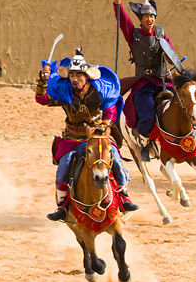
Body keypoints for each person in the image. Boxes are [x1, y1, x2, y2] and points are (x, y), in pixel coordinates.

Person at [36, 47, 138, 222]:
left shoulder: (99, 91)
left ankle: (124, 197)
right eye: (72, 75)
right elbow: (43, 100)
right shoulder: (64, 92)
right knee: (63, 168)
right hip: (72, 138)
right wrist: (42, 83)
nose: (75, 79)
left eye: (79, 75)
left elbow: (110, 111)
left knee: (116, 161)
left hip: (96, 137)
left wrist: (105, 124)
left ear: (86, 76)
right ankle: (62, 206)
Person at [113, 0, 179, 162]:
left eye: (152, 16)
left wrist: (169, 57)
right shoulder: (133, 35)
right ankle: (145, 142)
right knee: (147, 113)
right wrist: (118, 6)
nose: (149, 19)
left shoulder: (161, 33)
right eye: (146, 16)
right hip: (144, 83)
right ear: (141, 19)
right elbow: (124, 23)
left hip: (163, 80)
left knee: (185, 102)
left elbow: (171, 51)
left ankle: (189, 136)